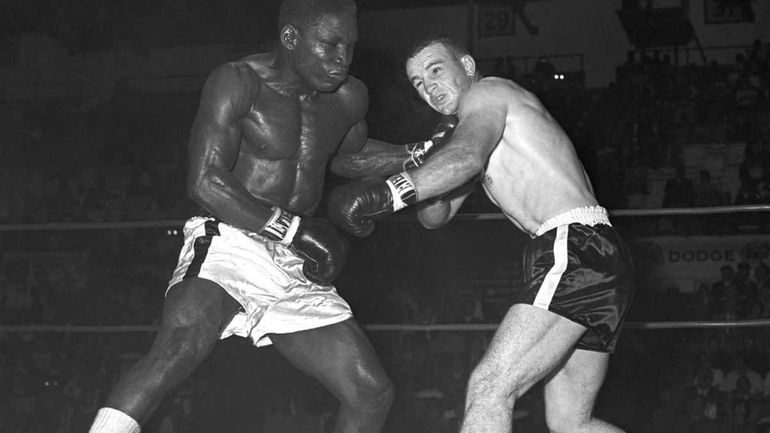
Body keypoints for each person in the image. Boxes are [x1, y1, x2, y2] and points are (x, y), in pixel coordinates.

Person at [87, 2, 456, 432]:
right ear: (290, 38)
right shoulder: (238, 81)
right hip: (232, 239)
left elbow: (348, 157)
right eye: (331, 44)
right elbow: (204, 180)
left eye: (350, 47)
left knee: (370, 391)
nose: (343, 59)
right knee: (177, 349)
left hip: (292, 259)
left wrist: (418, 153)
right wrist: (294, 228)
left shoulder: (349, 96)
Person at [328, 36, 635, 432]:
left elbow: (467, 158)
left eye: (436, 70)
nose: (429, 86)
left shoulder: (489, 93)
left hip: (574, 247)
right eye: (419, 83)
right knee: (571, 425)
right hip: (595, 256)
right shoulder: (474, 128)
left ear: (468, 66)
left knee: (490, 387)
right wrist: (428, 156)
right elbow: (434, 217)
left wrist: (387, 193)